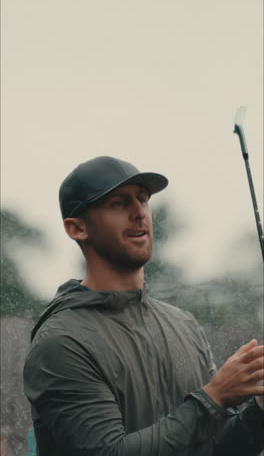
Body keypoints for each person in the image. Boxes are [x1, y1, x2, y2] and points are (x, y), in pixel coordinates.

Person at [23, 156, 264, 456]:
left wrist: (258, 411)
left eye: (142, 199)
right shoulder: (62, 343)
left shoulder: (184, 326)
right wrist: (213, 398)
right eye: (118, 203)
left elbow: (214, 446)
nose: (139, 212)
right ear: (77, 228)